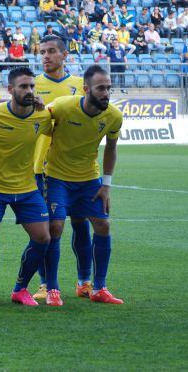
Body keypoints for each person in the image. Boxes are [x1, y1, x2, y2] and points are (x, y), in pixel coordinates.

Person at [42, 65, 124, 306]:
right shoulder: (63, 106)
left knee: (102, 224)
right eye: (101, 88)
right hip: (57, 177)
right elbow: (38, 121)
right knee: (55, 227)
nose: (106, 93)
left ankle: (98, 287)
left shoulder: (113, 116)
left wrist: (106, 185)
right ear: (86, 89)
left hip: (89, 179)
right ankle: (52, 288)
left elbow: (110, 148)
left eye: (109, 88)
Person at [0, 67, 52, 307]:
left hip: (27, 187)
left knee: (43, 238)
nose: (28, 91)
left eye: (31, 86)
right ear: (10, 89)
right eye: (23, 86)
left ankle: (20, 288)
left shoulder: (43, 116)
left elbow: (61, 128)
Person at [30, 35, 87, 300]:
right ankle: (45, 284)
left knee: (81, 224)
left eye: (51, 51)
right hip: (43, 168)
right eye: (42, 52)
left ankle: (84, 281)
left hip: (78, 167)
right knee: (49, 227)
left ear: (65, 55)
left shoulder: (79, 85)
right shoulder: (32, 85)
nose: (46, 56)